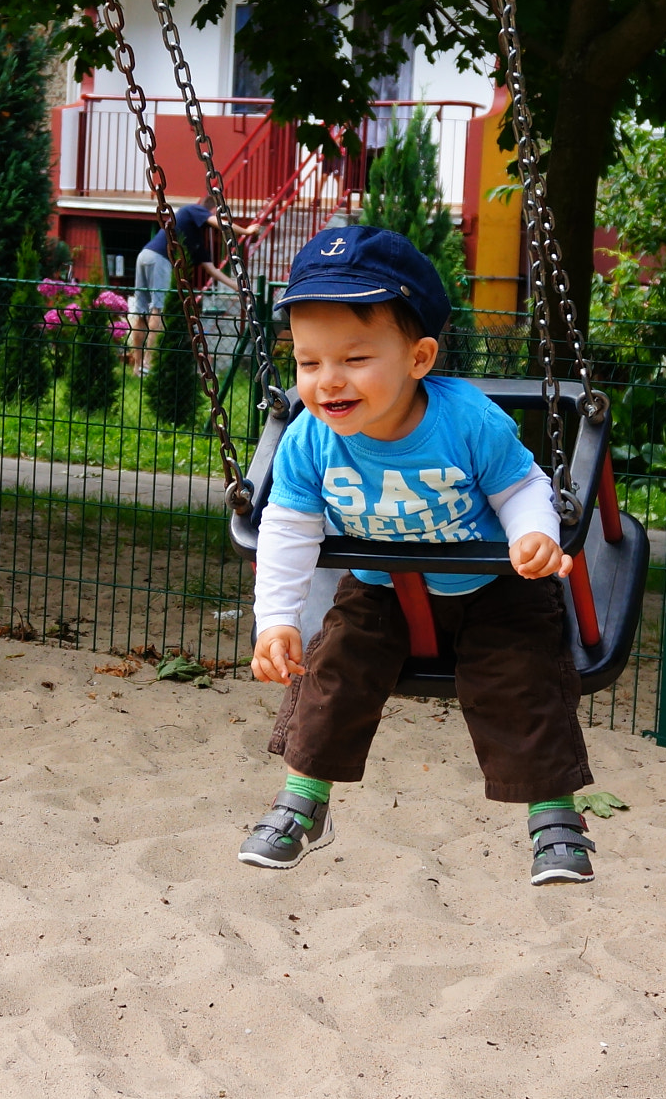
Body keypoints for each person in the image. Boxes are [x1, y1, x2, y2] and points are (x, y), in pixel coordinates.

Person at [237, 225, 599, 886]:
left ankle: (555, 817)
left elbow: (522, 485)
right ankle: (303, 800)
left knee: (524, 678)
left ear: (419, 357)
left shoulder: (468, 420)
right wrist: (276, 622)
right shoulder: (308, 441)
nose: (327, 382)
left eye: (353, 359)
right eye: (308, 362)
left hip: (495, 588)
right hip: (380, 587)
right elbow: (288, 531)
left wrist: (531, 534)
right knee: (332, 669)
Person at [128, 202, 251, 374]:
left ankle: (138, 367)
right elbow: (220, 223)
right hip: (160, 258)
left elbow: (212, 270)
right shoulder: (193, 209)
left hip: (145, 255)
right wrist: (247, 231)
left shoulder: (196, 240)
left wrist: (237, 287)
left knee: (142, 312)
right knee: (159, 309)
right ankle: (147, 364)